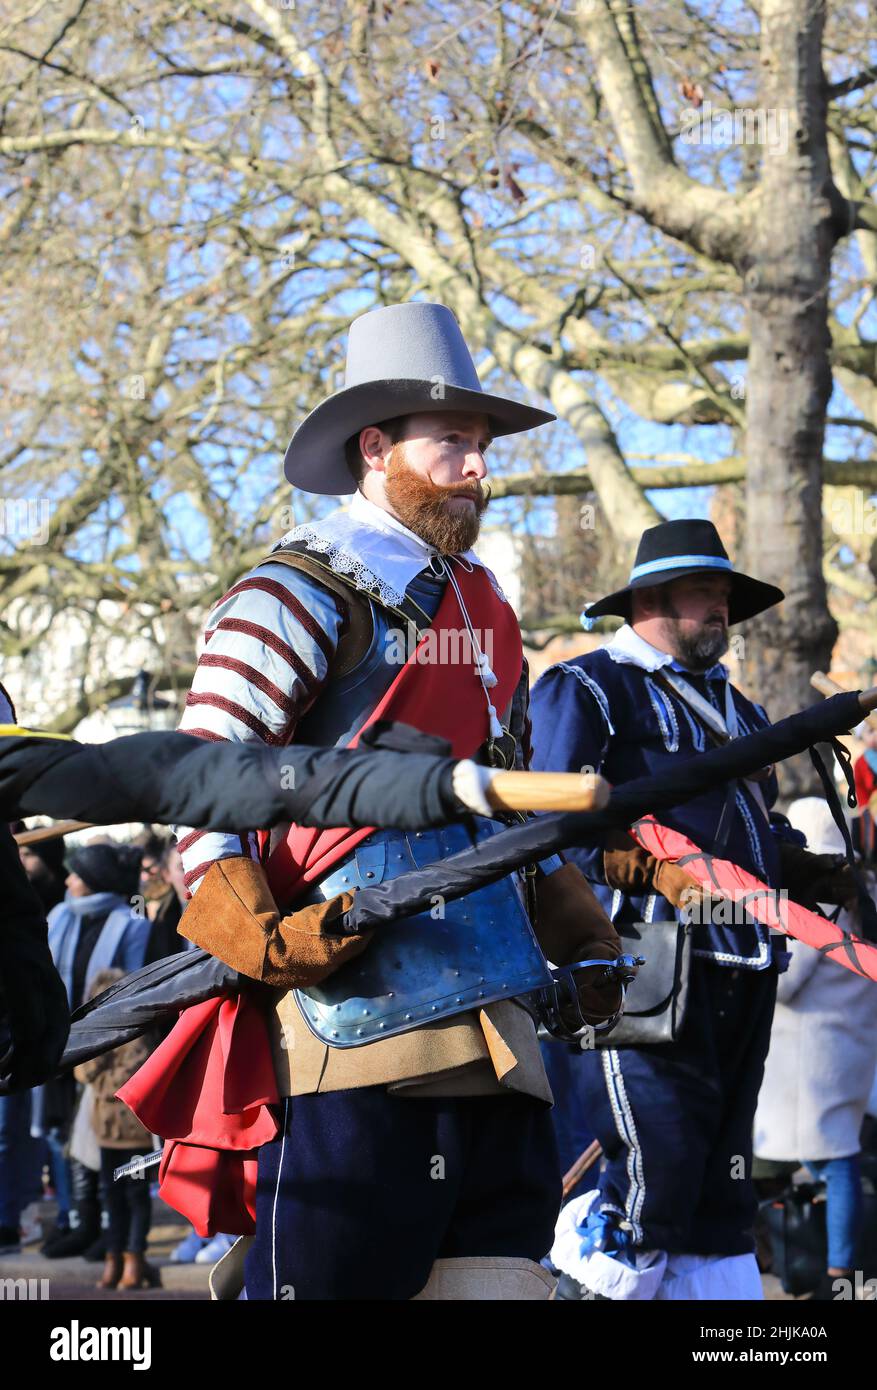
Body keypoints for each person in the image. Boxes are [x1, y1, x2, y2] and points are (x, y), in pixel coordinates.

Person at [166, 301, 626, 1301]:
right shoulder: (288, 594)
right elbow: (203, 782)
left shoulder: (484, 607)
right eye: (452, 441)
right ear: (375, 448)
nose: (477, 466)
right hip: (352, 1021)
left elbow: (502, 800)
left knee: (496, 1287)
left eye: (482, 444)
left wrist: (575, 921)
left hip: (501, 1024)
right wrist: (253, 924)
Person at [529, 518, 855, 1300]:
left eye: (725, 596)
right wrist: (642, 869)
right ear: (649, 598)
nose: (721, 610)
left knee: (717, 1196)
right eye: (705, 593)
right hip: (638, 962)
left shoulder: (738, 710)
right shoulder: (584, 687)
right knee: (650, 1180)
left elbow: (748, 832)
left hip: (745, 962)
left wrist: (803, 866)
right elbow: (543, 827)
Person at [754, 797, 877, 1300]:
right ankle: (838, 1269)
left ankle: (825, 1269)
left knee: (822, 1161)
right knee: (839, 1155)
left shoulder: (818, 896)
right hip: (849, 1049)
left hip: (809, 1056)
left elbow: (787, 981)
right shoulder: (863, 891)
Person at [40, 841, 150, 1258]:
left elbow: (135, 986)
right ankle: (79, 1219)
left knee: (102, 1139)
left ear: (95, 880)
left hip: (103, 1053)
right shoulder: (58, 915)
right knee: (63, 1137)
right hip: (53, 1044)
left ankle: (110, 1230)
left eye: (77, 874)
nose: (68, 880)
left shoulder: (131, 922)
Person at [74, 968, 161, 1291]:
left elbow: (128, 1077)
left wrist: (102, 1070)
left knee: (136, 1197)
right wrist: (98, 1053)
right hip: (104, 1132)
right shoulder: (95, 1033)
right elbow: (81, 1071)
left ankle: (134, 1259)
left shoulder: (137, 1032)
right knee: (111, 1197)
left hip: (134, 1133)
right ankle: (114, 1256)